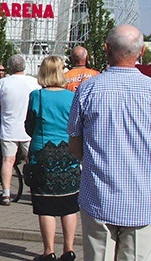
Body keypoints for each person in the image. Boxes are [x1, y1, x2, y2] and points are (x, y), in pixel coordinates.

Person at [68, 25, 151, 260]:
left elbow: (74, 145)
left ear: (106, 48)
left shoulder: (88, 90)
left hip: (99, 194)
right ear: (142, 51)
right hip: (142, 198)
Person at [26, 56, 80, 261]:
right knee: (69, 203)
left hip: (42, 154)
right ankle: (69, 249)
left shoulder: (36, 96)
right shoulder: (72, 96)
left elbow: (29, 126)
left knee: (45, 205)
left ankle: (49, 251)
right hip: (68, 153)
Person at [0, 54, 41, 205]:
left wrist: (5, 111)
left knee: (8, 160)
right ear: (24, 66)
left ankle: (6, 193)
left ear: (9, 68)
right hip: (29, 129)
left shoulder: (3, 83)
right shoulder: (34, 82)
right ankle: (35, 191)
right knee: (31, 160)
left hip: (9, 127)